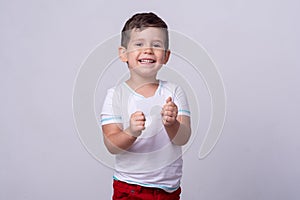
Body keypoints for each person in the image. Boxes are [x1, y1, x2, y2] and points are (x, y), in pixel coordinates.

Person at [100, 12, 191, 200]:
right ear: (123, 54)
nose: (148, 50)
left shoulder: (174, 92)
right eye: (139, 44)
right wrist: (131, 132)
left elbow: (183, 138)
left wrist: (171, 124)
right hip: (130, 187)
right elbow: (111, 144)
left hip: (168, 189)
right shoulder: (116, 95)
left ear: (166, 56)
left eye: (156, 45)